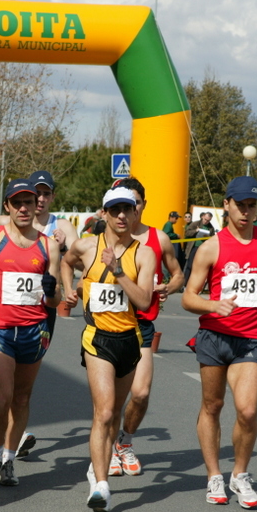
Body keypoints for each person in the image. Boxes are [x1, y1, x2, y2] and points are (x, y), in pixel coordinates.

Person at [181, 176, 257, 508]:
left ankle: (240, 474)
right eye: (240, 205)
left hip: (251, 339)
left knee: (247, 410)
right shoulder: (211, 247)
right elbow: (188, 297)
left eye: (252, 205)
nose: (246, 211)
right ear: (226, 205)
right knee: (212, 406)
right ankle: (214, 475)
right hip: (214, 336)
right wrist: (211, 305)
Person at [61, 186, 155, 512]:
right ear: (104, 213)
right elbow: (66, 262)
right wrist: (68, 289)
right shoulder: (87, 246)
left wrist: (117, 271)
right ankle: (101, 484)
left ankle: (99, 460)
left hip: (129, 339)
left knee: (115, 413)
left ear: (135, 212)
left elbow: (144, 301)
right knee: (103, 412)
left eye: (127, 209)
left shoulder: (144, 253)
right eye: (115, 210)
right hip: (96, 338)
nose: (121, 216)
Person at [0, 179, 61, 488]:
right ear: (7, 206)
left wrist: (52, 292)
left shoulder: (49, 245)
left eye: (29, 202)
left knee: (21, 398)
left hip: (34, 331)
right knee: (1, 399)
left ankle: (9, 459)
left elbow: (55, 299)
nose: (24, 208)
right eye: (17, 203)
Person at [107, 177, 184, 477]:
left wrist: (168, 288)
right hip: (109, 325)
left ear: (142, 205)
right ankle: (106, 448)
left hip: (141, 325)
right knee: (111, 399)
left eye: (135, 203)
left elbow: (177, 274)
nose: (130, 209)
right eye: (123, 204)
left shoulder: (158, 239)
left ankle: (124, 442)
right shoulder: (105, 238)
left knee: (140, 393)